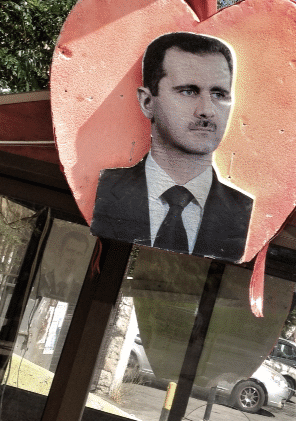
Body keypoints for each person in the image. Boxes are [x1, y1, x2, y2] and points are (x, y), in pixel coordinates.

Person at [91, 31, 253, 262]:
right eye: (188, 91)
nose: (206, 110)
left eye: (219, 94)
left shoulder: (242, 212)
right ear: (148, 102)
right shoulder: (107, 189)